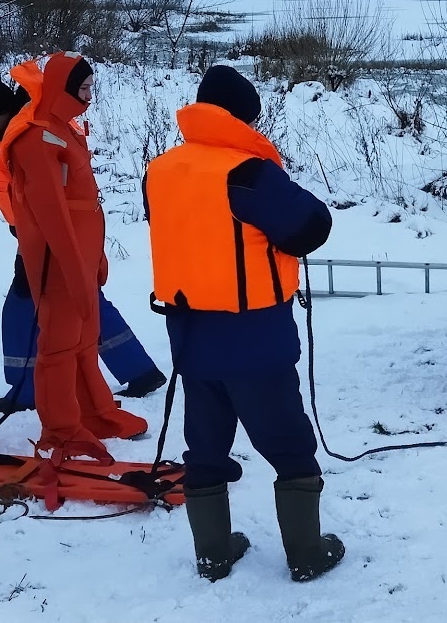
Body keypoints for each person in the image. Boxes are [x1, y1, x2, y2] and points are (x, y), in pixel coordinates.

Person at [144, 64, 345, 583]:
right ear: (244, 118)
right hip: (254, 337)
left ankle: (212, 553)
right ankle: (305, 552)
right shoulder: (248, 173)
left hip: (190, 334)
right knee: (289, 444)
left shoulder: (161, 169)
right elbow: (311, 225)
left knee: (205, 446)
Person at [0, 77, 166, 414]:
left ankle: (26, 391)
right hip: (55, 232)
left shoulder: (25, 135)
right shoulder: (25, 128)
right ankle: (140, 371)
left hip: (46, 236)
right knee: (84, 301)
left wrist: (38, 236)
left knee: (22, 310)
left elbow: (47, 190)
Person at [3, 52, 150, 462]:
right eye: (83, 89)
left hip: (81, 255)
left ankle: (96, 413)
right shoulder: (36, 137)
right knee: (60, 345)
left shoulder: (62, 130)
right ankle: (62, 429)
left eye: (90, 88)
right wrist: (73, 268)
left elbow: (82, 202)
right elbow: (51, 213)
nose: (89, 97)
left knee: (85, 339)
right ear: (62, 89)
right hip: (58, 261)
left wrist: (95, 259)